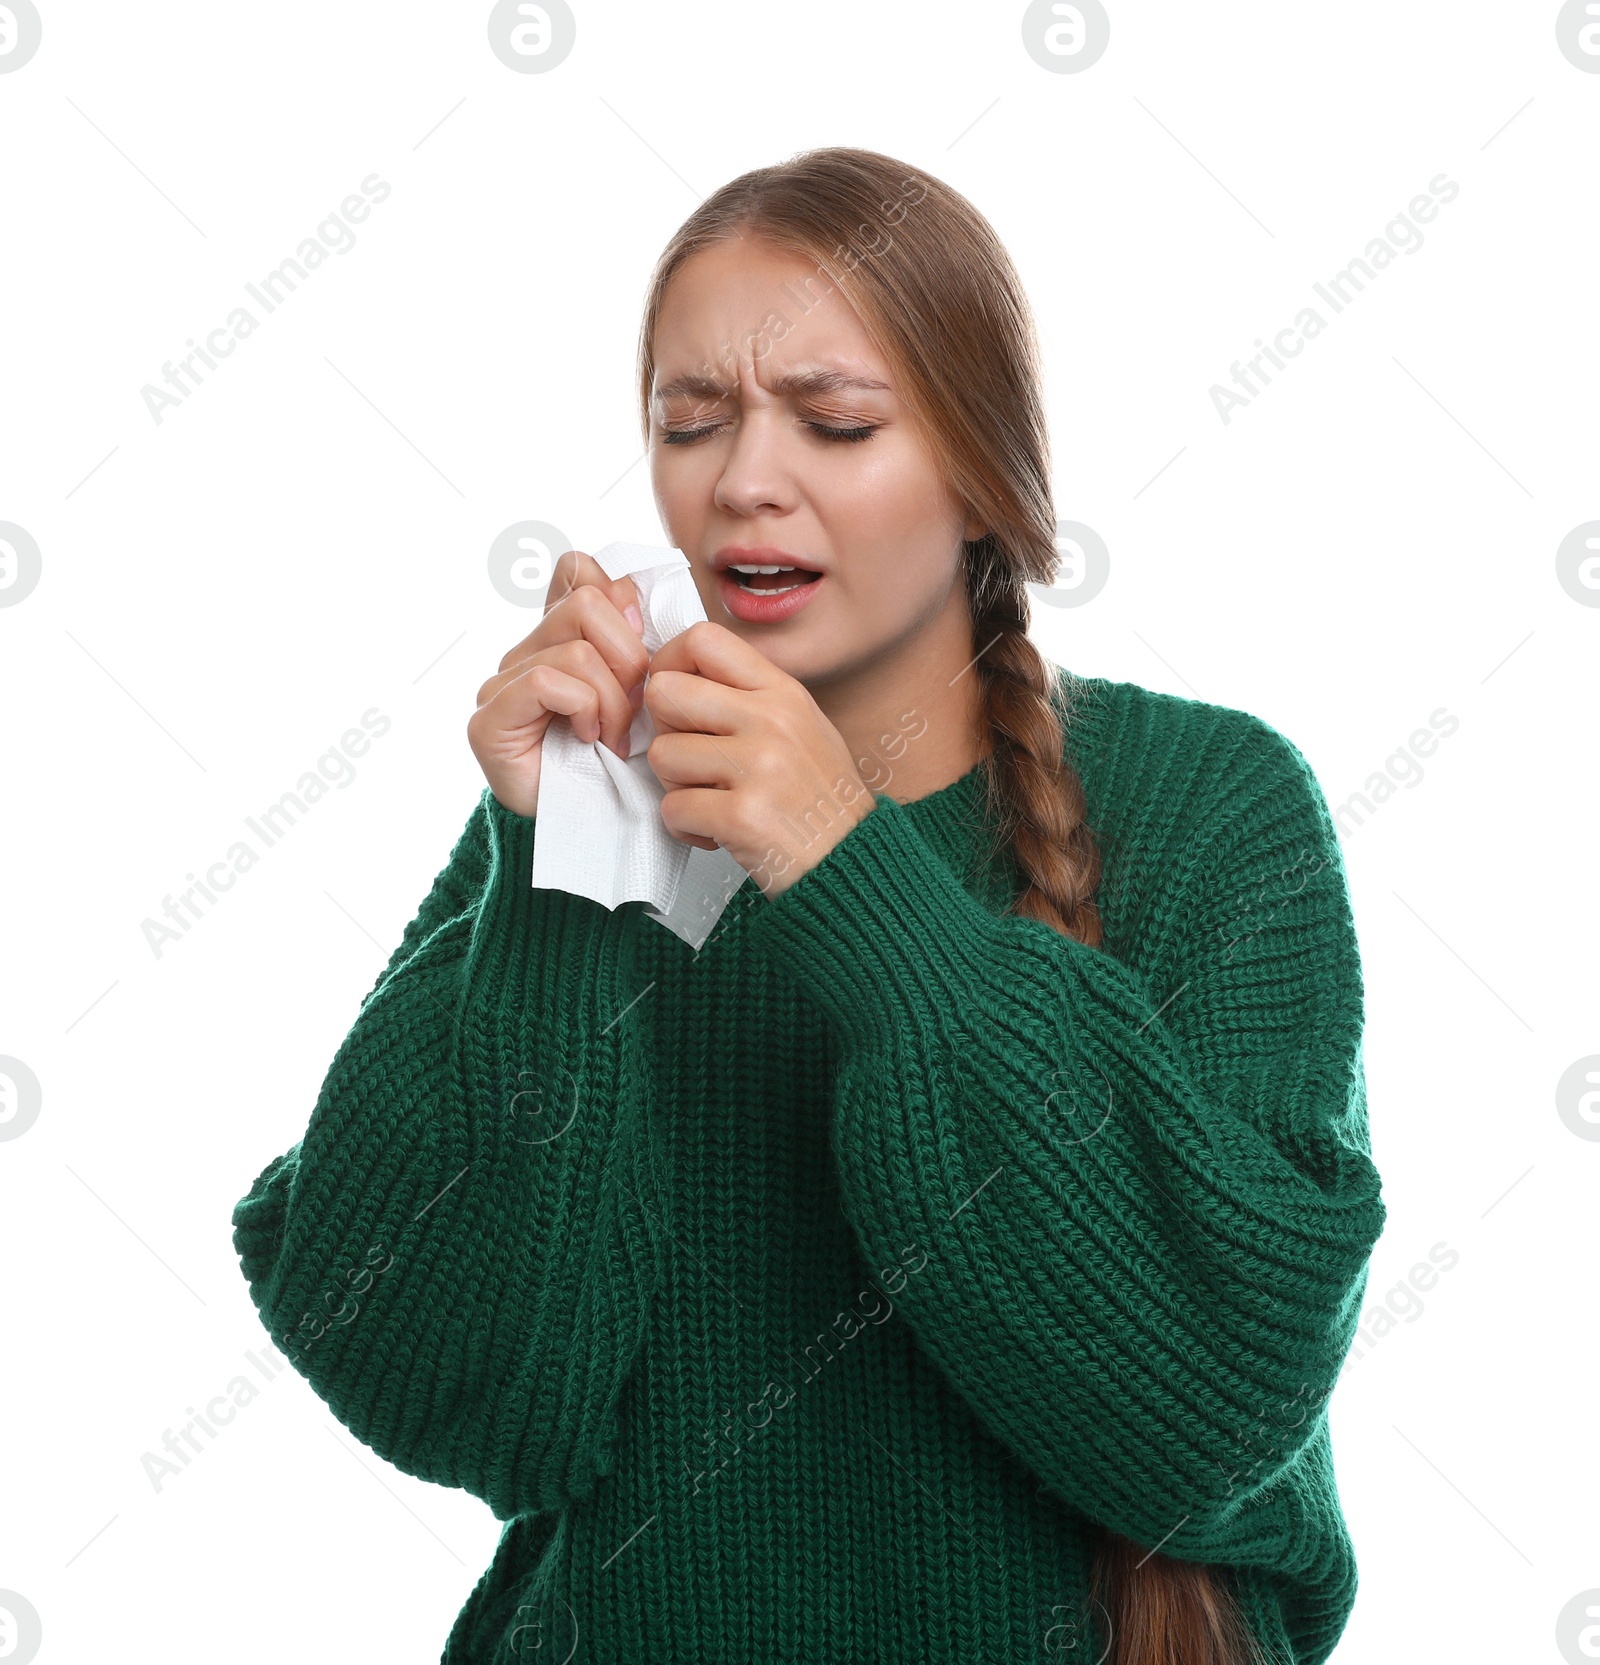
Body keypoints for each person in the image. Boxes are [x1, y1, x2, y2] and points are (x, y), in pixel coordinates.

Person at [231, 146, 1386, 1665]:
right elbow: (449, 1386)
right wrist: (552, 883)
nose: (742, 480)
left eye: (834, 422)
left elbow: (1220, 1406)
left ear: (983, 470)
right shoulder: (583, 814)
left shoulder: (1215, 803)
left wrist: (853, 879)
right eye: (688, 421)